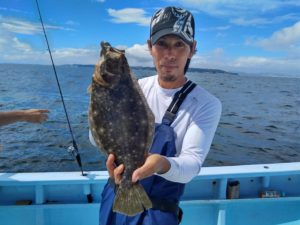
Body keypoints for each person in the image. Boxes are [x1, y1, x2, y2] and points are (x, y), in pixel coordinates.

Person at [90, 6, 222, 225]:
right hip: (114, 193)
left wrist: (161, 164)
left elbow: (191, 165)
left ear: (192, 49)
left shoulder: (206, 104)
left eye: (179, 44)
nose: (170, 54)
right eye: (162, 44)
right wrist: (100, 101)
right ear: (150, 47)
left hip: (158, 211)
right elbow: (95, 138)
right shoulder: (137, 88)